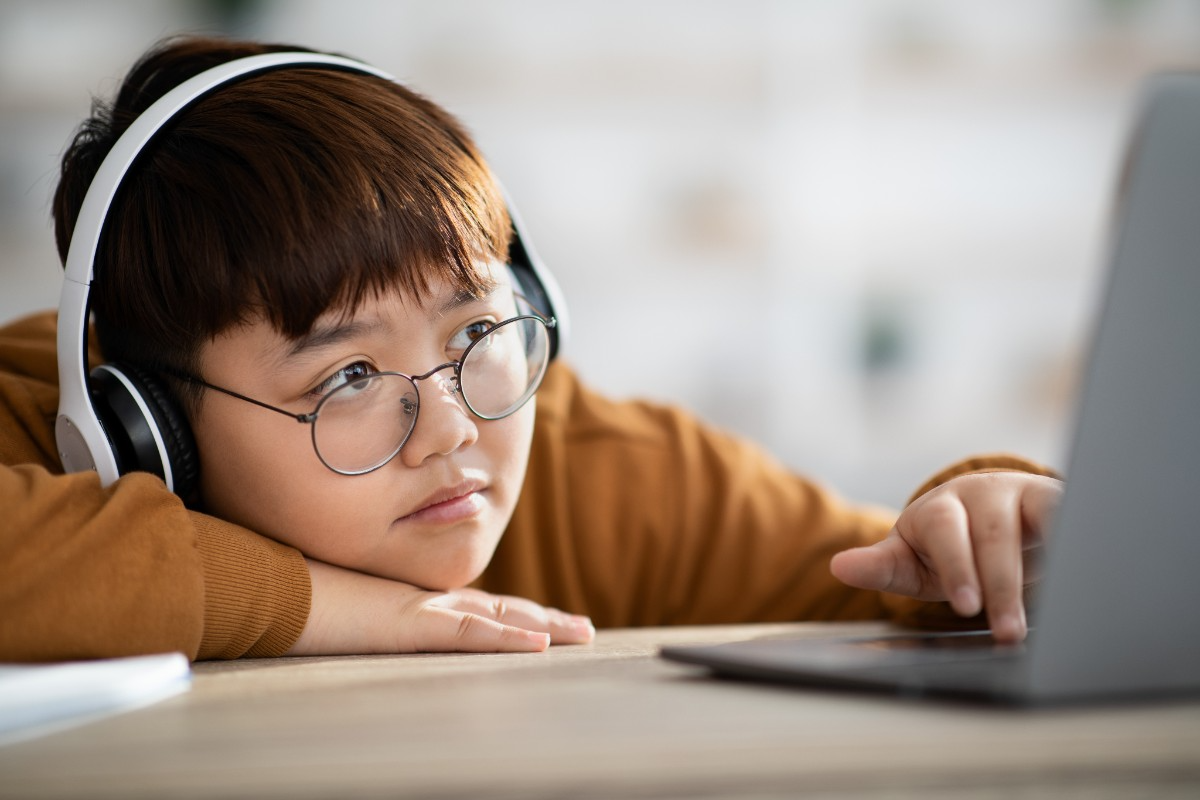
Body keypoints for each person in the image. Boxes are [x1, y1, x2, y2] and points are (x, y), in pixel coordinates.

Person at [0, 36, 1061, 663]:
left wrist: (981, 519)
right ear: (148, 424)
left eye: (476, 330)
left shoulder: (590, 464)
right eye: (352, 374)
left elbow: (888, 585)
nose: (456, 428)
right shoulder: (42, 418)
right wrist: (345, 610)